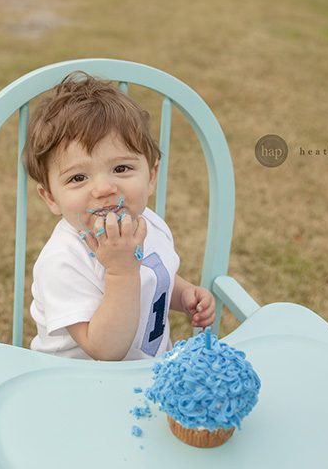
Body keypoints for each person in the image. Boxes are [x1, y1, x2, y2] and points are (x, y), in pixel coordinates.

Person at [23, 71, 215, 361]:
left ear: (151, 176)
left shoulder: (150, 224)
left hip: (147, 374)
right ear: (51, 197)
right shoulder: (63, 261)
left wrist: (185, 295)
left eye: (121, 169)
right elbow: (105, 350)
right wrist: (120, 272)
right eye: (77, 177)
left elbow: (155, 277)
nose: (104, 189)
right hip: (76, 386)